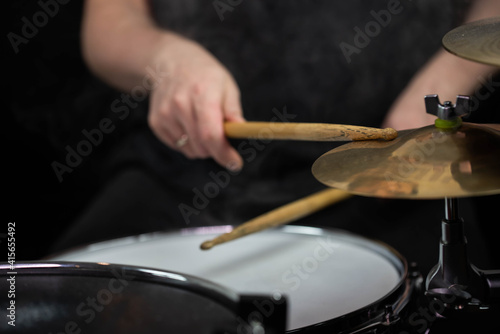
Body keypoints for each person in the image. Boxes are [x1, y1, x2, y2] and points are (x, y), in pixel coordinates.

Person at [51, 0, 500, 273]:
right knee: (43, 300)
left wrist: (446, 78)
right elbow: (109, 24)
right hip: (184, 162)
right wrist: (166, 59)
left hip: (394, 164)